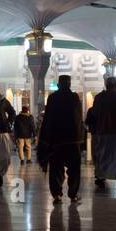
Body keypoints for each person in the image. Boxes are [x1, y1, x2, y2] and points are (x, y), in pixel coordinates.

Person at [37, 74, 85, 203]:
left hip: (56, 140)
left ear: (59, 85)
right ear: (69, 85)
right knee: (74, 168)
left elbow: (48, 119)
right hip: (72, 140)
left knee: (56, 168)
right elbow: (78, 120)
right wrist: (81, 140)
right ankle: (73, 194)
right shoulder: (74, 98)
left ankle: (57, 194)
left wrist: (46, 139)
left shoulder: (53, 98)